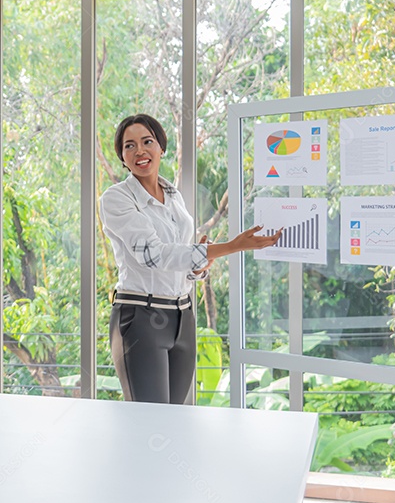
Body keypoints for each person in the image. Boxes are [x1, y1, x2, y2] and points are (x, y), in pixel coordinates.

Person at [99, 114, 281, 405]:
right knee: (149, 419)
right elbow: (153, 255)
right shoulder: (116, 198)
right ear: (122, 156)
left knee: (175, 415)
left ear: (161, 147)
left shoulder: (173, 195)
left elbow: (180, 259)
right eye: (129, 146)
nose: (139, 151)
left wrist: (198, 268)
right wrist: (232, 246)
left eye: (147, 142)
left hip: (182, 316)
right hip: (141, 317)